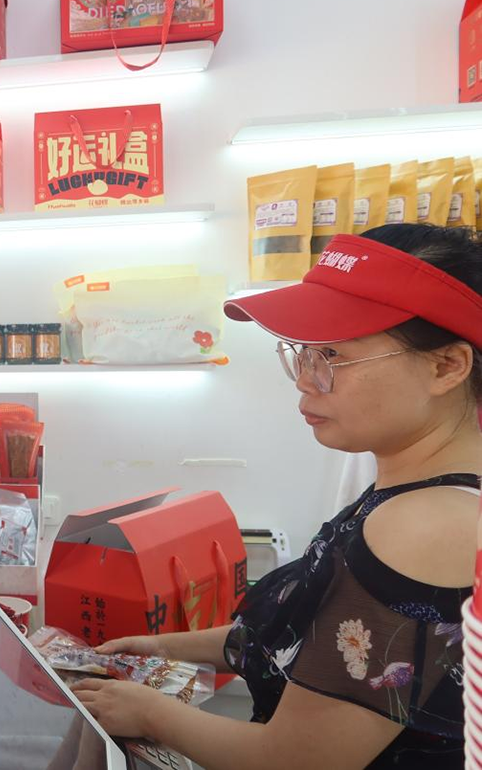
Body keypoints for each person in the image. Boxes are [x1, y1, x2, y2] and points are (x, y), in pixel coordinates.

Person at [72, 224, 482, 769]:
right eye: (303, 354)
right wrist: (163, 648)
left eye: (331, 355)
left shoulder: (426, 524)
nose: (305, 380)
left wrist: (149, 712)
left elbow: (295, 760)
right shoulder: (410, 494)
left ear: (446, 366)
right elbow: (303, 637)